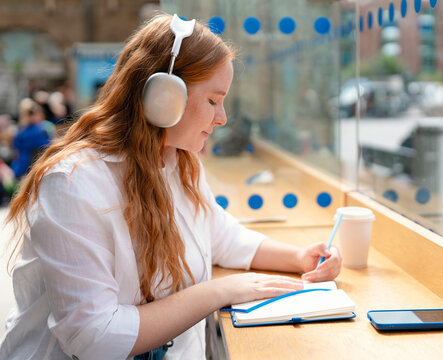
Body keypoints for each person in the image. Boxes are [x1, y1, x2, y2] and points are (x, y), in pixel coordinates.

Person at [0, 14, 342, 360]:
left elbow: (222, 237)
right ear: (163, 96)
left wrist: (300, 258)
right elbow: (96, 338)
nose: (222, 117)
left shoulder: (178, 162)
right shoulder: (73, 183)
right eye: (212, 100)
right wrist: (218, 292)